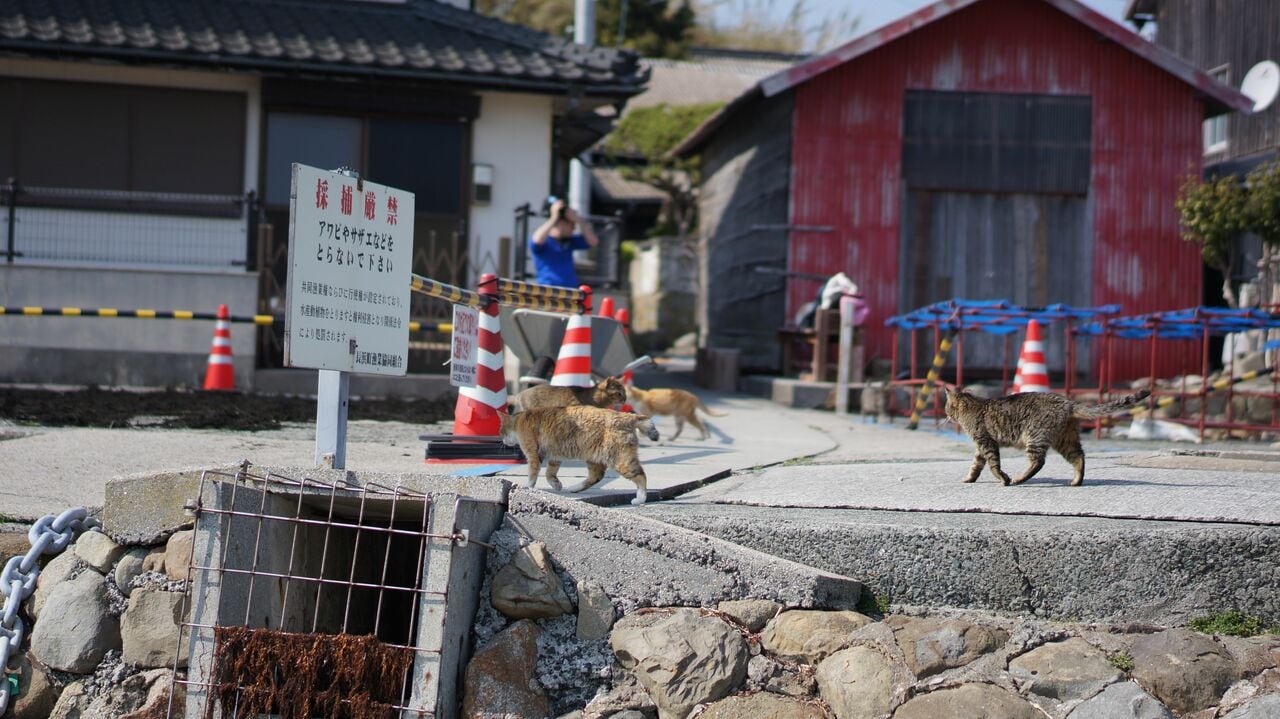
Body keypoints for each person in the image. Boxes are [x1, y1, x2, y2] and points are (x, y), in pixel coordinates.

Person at [529, 198, 599, 288]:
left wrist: (578, 220)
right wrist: (554, 217)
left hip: (569, 291)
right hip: (548, 290)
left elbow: (594, 241)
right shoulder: (544, 240)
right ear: (561, 223)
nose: (573, 229)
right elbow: (536, 241)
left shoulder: (570, 241)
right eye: (572, 225)